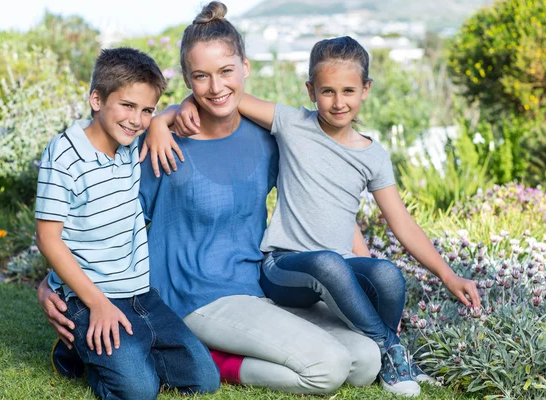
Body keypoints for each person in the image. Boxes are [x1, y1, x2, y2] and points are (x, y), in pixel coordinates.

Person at [39, 2, 382, 395]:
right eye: (201, 76)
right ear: (187, 79)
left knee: (366, 358)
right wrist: (51, 286)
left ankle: (211, 351)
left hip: (260, 287)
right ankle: (215, 359)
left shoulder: (268, 141)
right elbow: (97, 216)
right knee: (329, 367)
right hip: (192, 297)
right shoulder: (160, 147)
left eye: (225, 72)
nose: (216, 87)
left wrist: (360, 267)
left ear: (245, 67)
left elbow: (324, 202)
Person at [171, 36, 482, 397]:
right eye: (327, 91)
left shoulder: (373, 156)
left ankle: (384, 356)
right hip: (283, 268)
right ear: (311, 91)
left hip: (336, 269)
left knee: (386, 272)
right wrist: (175, 110)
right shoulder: (291, 124)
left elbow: (402, 224)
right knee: (329, 264)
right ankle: (394, 350)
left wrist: (447, 274)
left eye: (348, 91)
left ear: (365, 90)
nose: (338, 102)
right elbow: (224, 95)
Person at [34, 47, 219, 400]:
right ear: (96, 99)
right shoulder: (65, 154)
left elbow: (181, 107)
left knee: (203, 379)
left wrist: (162, 121)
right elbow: (48, 239)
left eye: (146, 110)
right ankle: (75, 352)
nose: (137, 119)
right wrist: (98, 304)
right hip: (90, 298)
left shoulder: (130, 147)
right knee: (139, 391)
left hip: (140, 295)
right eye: (127, 106)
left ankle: (114, 351)